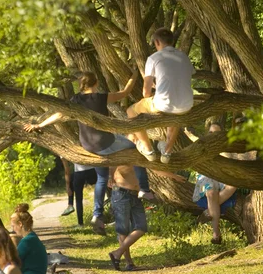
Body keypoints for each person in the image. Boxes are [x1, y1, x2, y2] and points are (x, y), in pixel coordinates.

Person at [23, 71, 155, 235]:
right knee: (135, 149)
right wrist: (133, 77)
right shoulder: (100, 97)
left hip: (88, 146)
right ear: (96, 83)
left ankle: (97, 214)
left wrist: (40, 125)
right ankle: (144, 188)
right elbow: (124, 93)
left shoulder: (76, 100)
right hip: (104, 142)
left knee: (101, 178)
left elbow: (58, 114)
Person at [127, 27, 195, 164]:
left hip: (164, 104)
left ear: (157, 42)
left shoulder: (154, 58)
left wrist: (152, 96)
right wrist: (159, 88)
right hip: (187, 104)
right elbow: (180, 80)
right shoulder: (183, 56)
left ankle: (148, 149)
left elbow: (145, 93)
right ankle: (167, 153)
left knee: (130, 111)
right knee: (175, 114)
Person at [192, 123, 238, 245]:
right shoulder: (202, 146)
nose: (213, 135)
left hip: (222, 177)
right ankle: (216, 233)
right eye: (210, 133)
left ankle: (210, 210)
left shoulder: (227, 148)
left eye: (216, 133)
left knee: (233, 185)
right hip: (206, 176)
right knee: (211, 192)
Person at [107, 164, 148, 271]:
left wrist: (174, 176)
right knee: (123, 230)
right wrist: (110, 178)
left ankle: (117, 253)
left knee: (141, 227)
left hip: (136, 194)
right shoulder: (122, 149)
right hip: (121, 193)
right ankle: (129, 263)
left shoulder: (140, 152)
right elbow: (111, 162)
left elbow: (155, 168)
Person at [10, 203, 48, 274]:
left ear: (20, 224)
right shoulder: (32, 238)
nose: (13, 230)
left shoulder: (27, 242)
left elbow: (12, 263)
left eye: (13, 226)